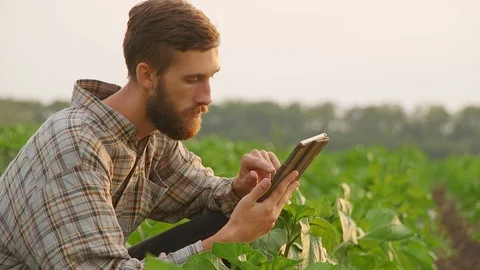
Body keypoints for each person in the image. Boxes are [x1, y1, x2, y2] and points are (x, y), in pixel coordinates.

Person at [0, 0, 300, 269]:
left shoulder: (152, 133)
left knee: (229, 223)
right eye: (192, 79)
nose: (207, 96)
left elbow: (202, 195)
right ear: (146, 75)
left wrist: (240, 188)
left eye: (210, 77)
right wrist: (231, 238)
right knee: (227, 239)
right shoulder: (75, 145)